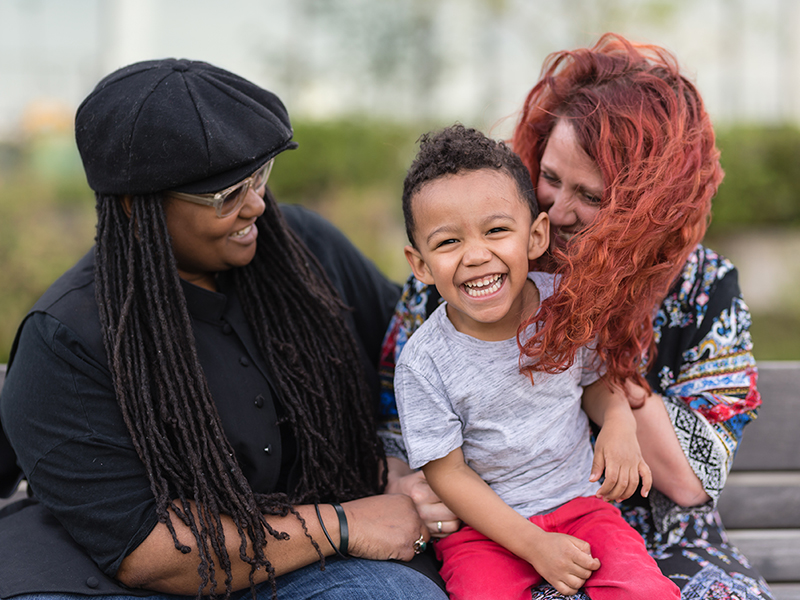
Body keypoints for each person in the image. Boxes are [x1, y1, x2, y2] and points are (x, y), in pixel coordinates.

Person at [0, 59, 449, 600]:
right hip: (123, 581)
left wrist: (396, 463)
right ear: (135, 207)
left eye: (260, 177)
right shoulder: (68, 337)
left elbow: (421, 354)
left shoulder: (305, 252)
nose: (256, 203)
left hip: (307, 569)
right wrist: (341, 524)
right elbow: (147, 551)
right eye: (226, 196)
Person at [378, 34, 770, 600]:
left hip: (655, 535)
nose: (557, 211)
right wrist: (409, 486)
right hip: (493, 532)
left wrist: (603, 327)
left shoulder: (703, 286)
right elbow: (395, 421)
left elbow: (690, 480)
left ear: (644, 212)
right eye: (551, 178)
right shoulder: (484, 262)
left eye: (590, 195)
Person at [394, 123, 680, 600]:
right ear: (420, 264)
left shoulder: (563, 307)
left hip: (583, 507)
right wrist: (533, 544)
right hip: (486, 531)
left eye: (497, 230)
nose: (477, 255)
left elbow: (595, 379)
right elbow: (449, 473)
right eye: (448, 242)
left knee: (648, 592)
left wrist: (617, 423)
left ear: (536, 236)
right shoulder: (424, 363)